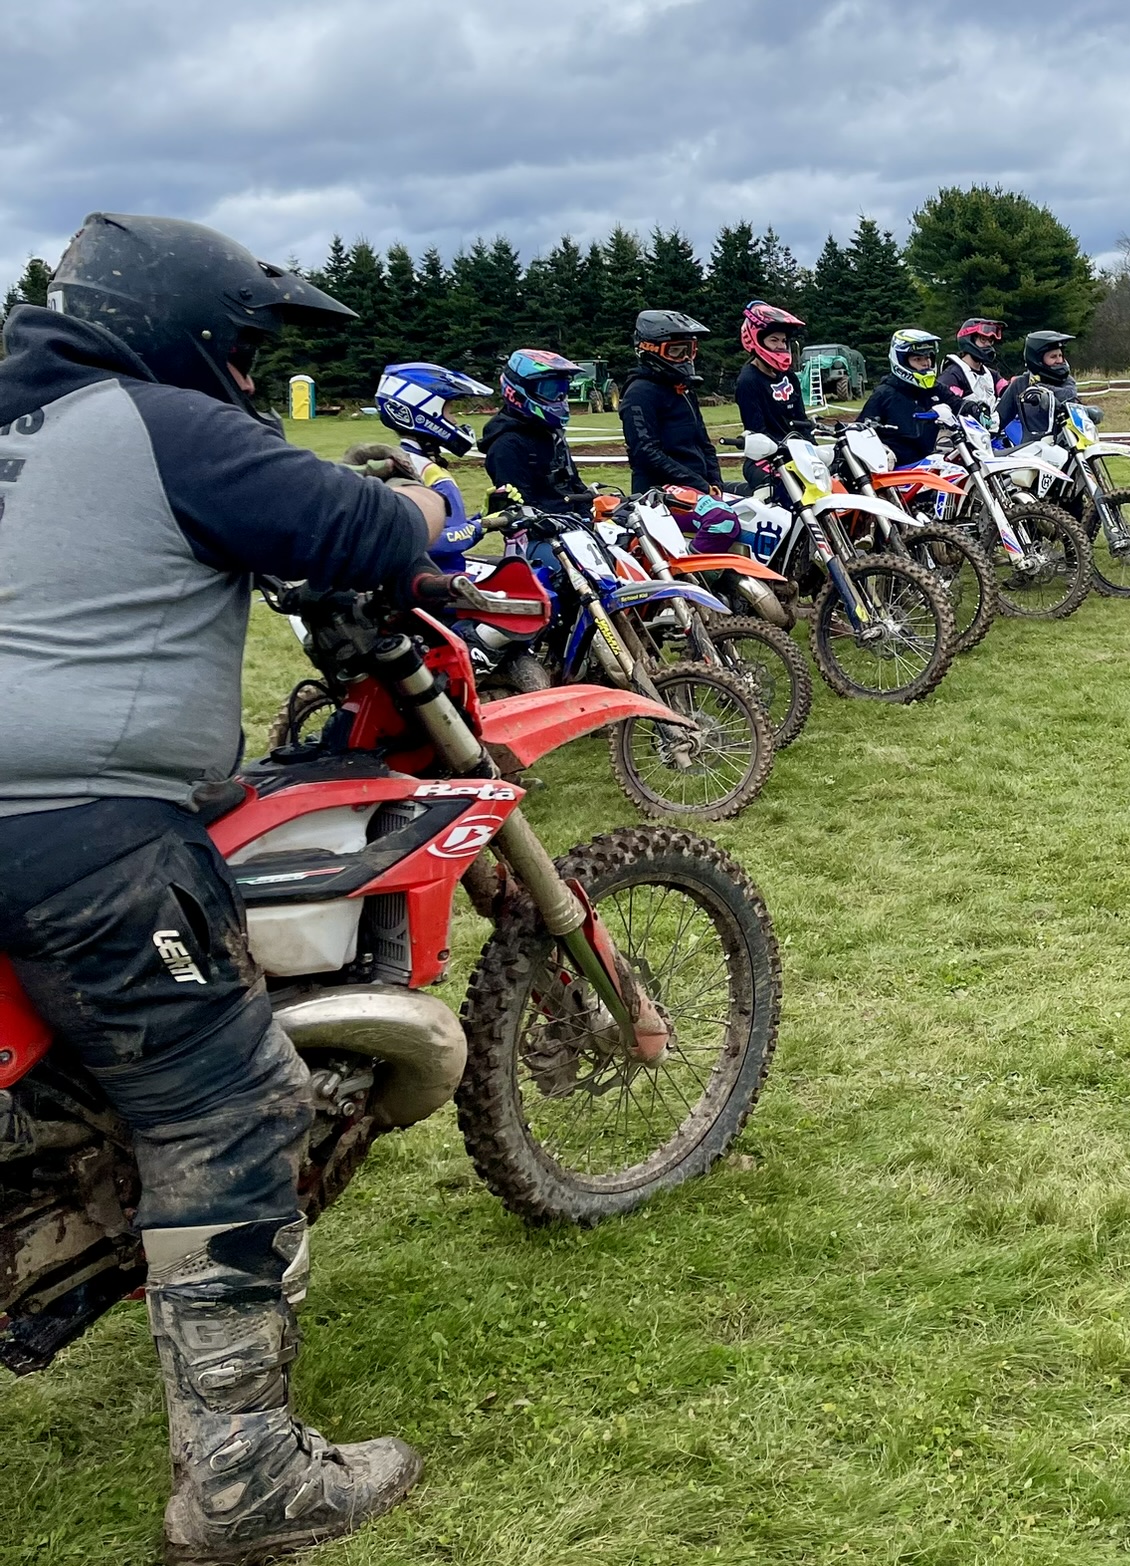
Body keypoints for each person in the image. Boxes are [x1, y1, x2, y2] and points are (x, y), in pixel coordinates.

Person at [0, 213, 449, 1563]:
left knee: (94, 1077)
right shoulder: (150, 421)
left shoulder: (28, 433)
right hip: (75, 828)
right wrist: (427, 505)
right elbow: (352, 523)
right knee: (229, 1099)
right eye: (242, 349)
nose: (248, 380)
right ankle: (244, 1478)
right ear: (178, 328)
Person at [362, 361, 491, 572]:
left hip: (436, 577)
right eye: (450, 410)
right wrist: (479, 526)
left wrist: (483, 518)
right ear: (426, 411)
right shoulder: (415, 469)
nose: (456, 420)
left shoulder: (412, 462)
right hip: (432, 585)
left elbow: (441, 527)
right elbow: (430, 542)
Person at [619, 310, 724, 496]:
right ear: (649, 349)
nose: (685, 359)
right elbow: (646, 452)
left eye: (689, 350)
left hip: (698, 488)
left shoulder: (683, 389)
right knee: (724, 523)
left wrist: (715, 481)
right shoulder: (639, 393)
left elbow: (704, 442)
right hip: (661, 494)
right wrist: (699, 484)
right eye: (675, 351)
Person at [479, 347, 594, 515]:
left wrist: (595, 513)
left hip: (575, 528)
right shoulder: (507, 446)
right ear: (517, 391)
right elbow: (520, 509)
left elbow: (574, 485)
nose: (558, 398)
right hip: (543, 535)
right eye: (550, 391)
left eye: (562, 391)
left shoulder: (552, 434)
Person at [733, 301, 810, 480]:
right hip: (765, 457)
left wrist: (810, 448)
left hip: (796, 453)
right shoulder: (748, 381)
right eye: (773, 340)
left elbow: (801, 420)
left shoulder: (789, 376)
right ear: (757, 340)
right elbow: (757, 429)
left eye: (783, 340)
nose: (781, 346)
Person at [859, 328, 948, 466]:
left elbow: (957, 403)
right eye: (918, 359)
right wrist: (882, 448)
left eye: (928, 357)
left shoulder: (935, 388)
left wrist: (976, 408)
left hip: (928, 462)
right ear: (902, 361)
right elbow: (859, 431)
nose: (926, 363)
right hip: (895, 469)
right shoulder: (884, 393)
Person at [997, 330, 1079, 446]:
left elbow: (1069, 395)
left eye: (1060, 355)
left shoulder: (1066, 381)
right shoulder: (1020, 384)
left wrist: (1040, 389)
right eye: (1053, 356)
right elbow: (999, 419)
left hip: (1066, 446)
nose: (1059, 360)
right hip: (1033, 452)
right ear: (1038, 359)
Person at [940, 317, 1006, 415]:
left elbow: (1009, 392)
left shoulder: (992, 375)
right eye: (983, 339)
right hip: (962, 429)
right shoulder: (953, 375)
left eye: (990, 341)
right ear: (968, 340)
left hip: (994, 428)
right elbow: (949, 402)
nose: (988, 345)